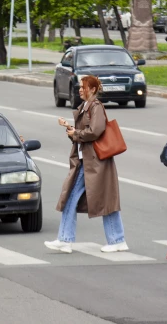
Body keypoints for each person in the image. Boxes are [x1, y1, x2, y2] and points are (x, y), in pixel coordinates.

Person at [45, 75, 128, 254]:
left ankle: (65, 239)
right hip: (88, 162)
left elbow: (95, 131)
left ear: (91, 89)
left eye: (83, 87)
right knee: (103, 200)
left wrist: (76, 133)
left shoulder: (96, 106)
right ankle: (117, 239)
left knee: (74, 197)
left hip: (95, 163)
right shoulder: (85, 106)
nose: (80, 89)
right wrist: (71, 130)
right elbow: (85, 133)